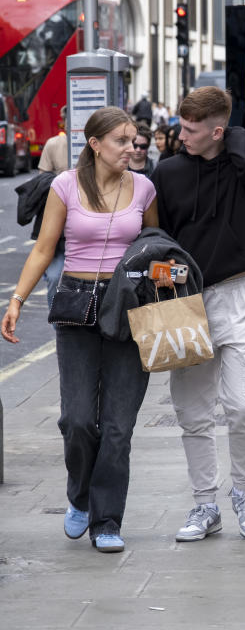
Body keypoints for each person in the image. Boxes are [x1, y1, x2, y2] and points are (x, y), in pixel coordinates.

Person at [2, 107, 161, 552]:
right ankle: (80, 497)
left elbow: (154, 245)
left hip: (127, 308)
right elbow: (43, 250)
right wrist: (16, 301)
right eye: (122, 141)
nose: (132, 148)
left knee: (117, 426)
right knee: (76, 420)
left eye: (134, 140)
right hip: (75, 303)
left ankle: (107, 520)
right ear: (94, 144)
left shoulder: (144, 188)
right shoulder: (65, 185)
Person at [151, 86, 245, 543]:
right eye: (181, 126)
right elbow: (158, 236)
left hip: (241, 293)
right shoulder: (167, 172)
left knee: (244, 405)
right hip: (186, 297)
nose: (181, 135)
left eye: (190, 129)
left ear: (218, 131)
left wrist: (231, 135)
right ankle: (205, 502)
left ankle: (244, 492)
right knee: (193, 411)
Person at [37, 106, 70, 310]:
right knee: (55, 277)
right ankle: (58, 326)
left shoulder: (97, 146)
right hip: (58, 230)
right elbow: (41, 183)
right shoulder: (53, 144)